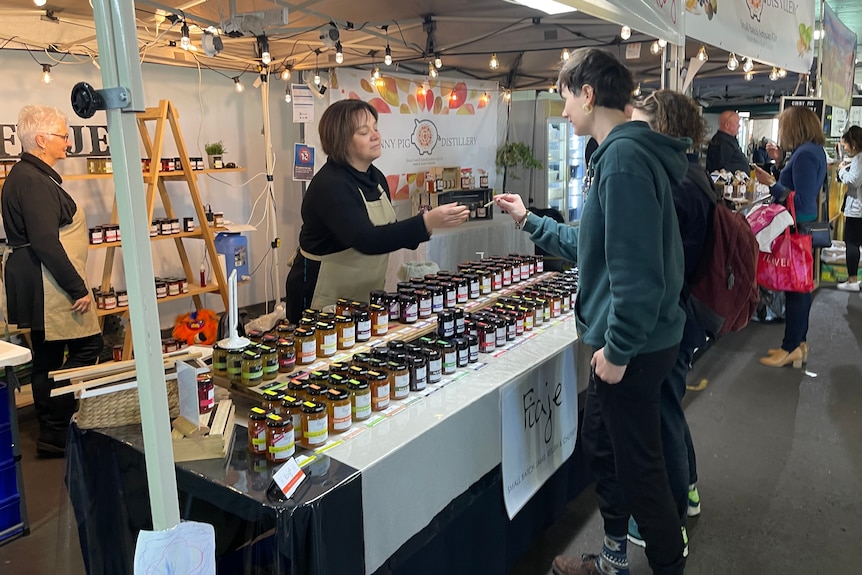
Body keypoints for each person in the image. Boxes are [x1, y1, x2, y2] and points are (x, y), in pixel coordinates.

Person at [496, 48, 688, 575]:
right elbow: (597, 245)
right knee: (606, 450)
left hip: (634, 345)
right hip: (638, 340)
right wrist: (530, 221)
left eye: (564, 98)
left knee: (637, 467)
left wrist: (619, 348)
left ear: (587, 94)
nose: (561, 113)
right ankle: (613, 557)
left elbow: (636, 271)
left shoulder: (623, 159)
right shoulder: (618, 155)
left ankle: (662, 562)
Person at [285, 99, 469, 322]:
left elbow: (385, 231)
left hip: (361, 295)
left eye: (376, 128)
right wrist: (425, 222)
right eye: (364, 131)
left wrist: (423, 226)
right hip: (320, 297)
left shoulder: (376, 177)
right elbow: (366, 239)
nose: (375, 135)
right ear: (340, 140)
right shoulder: (330, 185)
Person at [625, 90, 713, 548]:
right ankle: (689, 491)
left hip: (674, 317)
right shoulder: (688, 173)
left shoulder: (675, 185)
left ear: (660, 127)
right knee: (671, 409)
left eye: (640, 122)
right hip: (686, 311)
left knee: (663, 416)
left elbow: (655, 268)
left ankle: (672, 517)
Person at [1, 105, 102, 457]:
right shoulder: (32, 181)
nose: (68, 142)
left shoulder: (28, 176)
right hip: (50, 286)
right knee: (88, 347)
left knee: (45, 355)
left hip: (38, 281)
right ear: (41, 140)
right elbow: (46, 241)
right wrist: (77, 287)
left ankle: (51, 432)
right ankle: (59, 427)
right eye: (62, 135)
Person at [753, 106, 827, 367]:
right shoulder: (811, 151)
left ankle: (791, 346)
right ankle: (797, 344)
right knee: (799, 287)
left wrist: (771, 184)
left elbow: (802, 198)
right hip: (799, 225)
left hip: (795, 227)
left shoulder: (805, 154)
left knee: (796, 288)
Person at [836, 126, 862, 292]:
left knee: (851, 243)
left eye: (845, 145)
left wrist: (841, 172)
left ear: (853, 144)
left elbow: (854, 181)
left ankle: (852, 280)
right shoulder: (858, 159)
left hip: (857, 209)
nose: (844, 148)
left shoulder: (859, 159)